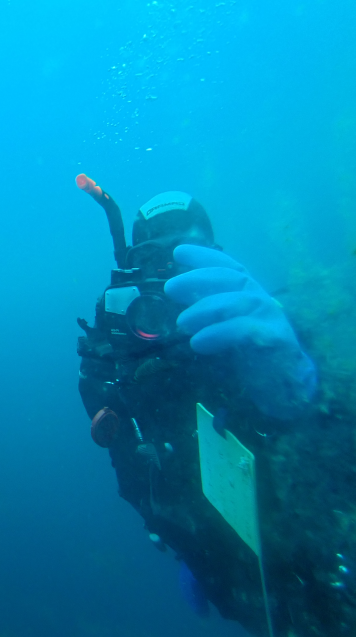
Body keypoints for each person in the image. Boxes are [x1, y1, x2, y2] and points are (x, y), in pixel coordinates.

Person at [73, 177, 339, 636]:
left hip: (312, 568)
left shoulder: (262, 331)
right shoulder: (121, 350)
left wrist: (305, 401)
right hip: (217, 569)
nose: (168, 277)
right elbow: (126, 461)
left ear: (214, 254)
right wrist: (182, 544)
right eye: (152, 260)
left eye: (183, 256)